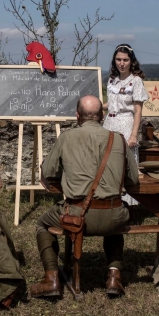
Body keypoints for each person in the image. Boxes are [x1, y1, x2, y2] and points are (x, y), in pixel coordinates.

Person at [32, 95, 139, 298]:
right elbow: (133, 178)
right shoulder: (118, 139)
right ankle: (114, 276)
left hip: (77, 216)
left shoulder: (66, 138)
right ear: (102, 116)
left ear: (77, 116)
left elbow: (48, 172)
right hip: (114, 215)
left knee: (42, 224)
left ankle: (52, 278)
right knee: (114, 222)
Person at [103, 44, 148, 206]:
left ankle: (126, 203)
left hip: (126, 123)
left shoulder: (135, 81)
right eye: (118, 59)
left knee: (124, 163)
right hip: (110, 123)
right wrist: (97, 106)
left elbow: (137, 111)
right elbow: (113, 102)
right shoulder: (112, 80)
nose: (121, 63)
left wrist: (134, 134)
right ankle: (109, 199)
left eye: (125, 60)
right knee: (108, 161)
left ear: (131, 61)